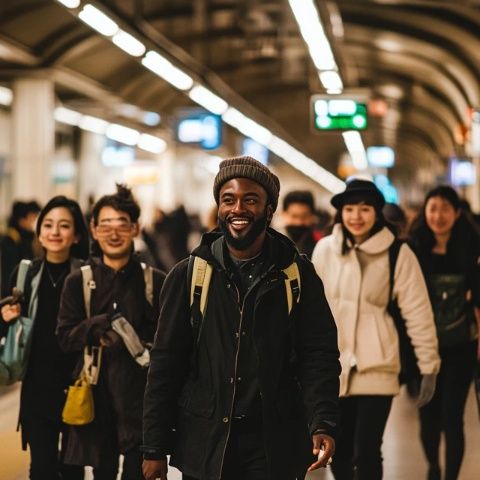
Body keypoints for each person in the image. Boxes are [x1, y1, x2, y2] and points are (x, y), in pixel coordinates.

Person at [142, 156, 341, 480]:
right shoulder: (189, 275)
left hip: (273, 443)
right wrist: (154, 446)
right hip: (205, 443)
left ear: (268, 210)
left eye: (251, 200)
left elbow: (318, 354)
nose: (238, 209)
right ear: (219, 207)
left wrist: (323, 420)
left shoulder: (296, 275)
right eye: (228, 199)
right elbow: (166, 363)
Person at [311, 178, 441, 480]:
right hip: (334, 364)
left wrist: (429, 365)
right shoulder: (325, 250)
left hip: (379, 363)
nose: (357, 216)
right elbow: (310, 310)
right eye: (350, 209)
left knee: (368, 450)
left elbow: (417, 310)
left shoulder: (398, 253)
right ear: (340, 213)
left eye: (365, 209)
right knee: (338, 449)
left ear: (377, 213)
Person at [57, 184, 166, 480]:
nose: (113, 233)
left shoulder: (155, 282)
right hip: (96, 401)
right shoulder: (77, 282)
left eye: (122, 225)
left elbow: (169, 344)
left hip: (141, 403)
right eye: (105, 225)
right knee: (102, 473)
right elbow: (65, 337)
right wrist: (98, 324)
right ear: (93, 230)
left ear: (136, 228)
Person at [0, 196, 89, 480]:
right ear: (39, 232)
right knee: (41, 468)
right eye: (48, 224)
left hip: (77, 384)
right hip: (37, 386)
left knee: (73, 468)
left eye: (64, 226)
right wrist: (7, 316)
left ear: (76, 235)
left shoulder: (87, 274)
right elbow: (10, 325)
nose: (55, 232)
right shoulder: (25, 273)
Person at [409, 186, 480, 480]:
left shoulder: (473, 248)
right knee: (428, 416)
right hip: (422, 347)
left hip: (461, 347)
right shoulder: (413, 249)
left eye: (445, 209)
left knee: (453, 418)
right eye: (433, 208)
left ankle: (450, 475)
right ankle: (433, 468)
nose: (438, 215)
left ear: (457, 213)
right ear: (425, 212)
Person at [1, 200, 41, 297]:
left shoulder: (28, 237)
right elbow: (8, 273)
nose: (35, 221)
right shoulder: (10, 240)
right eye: (33, 217)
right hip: (13, 292)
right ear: (23, 220)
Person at [281, 190, 321, 257]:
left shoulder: (319, 245)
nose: (299, 222)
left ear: (312, 216)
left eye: (304, 217)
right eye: (294, 216)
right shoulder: (269, 243)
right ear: (284, 214)